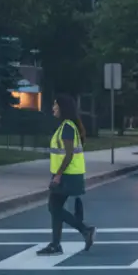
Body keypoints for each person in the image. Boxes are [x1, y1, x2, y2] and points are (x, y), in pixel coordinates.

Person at [36, 94, 95, 256]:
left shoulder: (67, 127)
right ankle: (56, 244)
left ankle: (84, 229)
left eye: (55, 105)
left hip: (67, 175)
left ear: (63, 108)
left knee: (53, 207)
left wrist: (58, 175)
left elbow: (68, 154)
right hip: (66, 174)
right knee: (55, 207)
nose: (53, 108)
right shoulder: (67, 126)